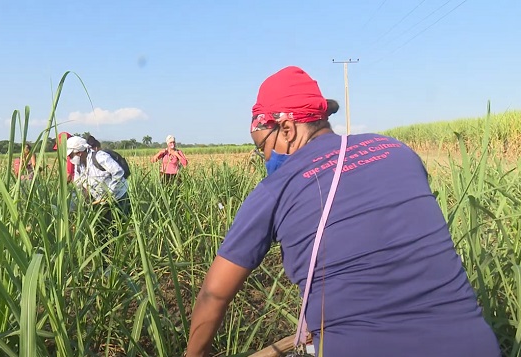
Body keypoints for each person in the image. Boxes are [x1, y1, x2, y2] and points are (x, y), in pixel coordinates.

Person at [186, 66, 500, 357]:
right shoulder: (399, 152)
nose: (265, 158)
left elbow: (214, 296)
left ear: (286, 129)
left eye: (262, 147)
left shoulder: (274, 190)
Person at [66, 136, 130, 217]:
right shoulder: (78, 166)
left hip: (118, 198)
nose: (70, 159)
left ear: (79, 152)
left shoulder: (100, 157)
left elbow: (118, 172)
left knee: (119, 225)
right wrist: (74, 205)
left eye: (71, 155)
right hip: (100, 201)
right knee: (102, 226)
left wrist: (110, 194)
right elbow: (79, 185)